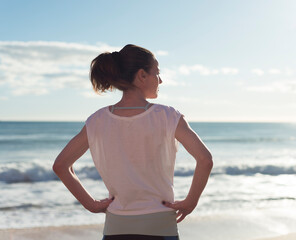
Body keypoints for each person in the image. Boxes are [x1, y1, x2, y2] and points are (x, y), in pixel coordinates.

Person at [53, 44, 213, 240]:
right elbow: (205, 160)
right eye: (157, 73)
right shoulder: (168, 116)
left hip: (115, 229)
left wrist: (91, 204)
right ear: (142, 75)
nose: (160, 80)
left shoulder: (97, 120)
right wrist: (191, 202)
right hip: (160, 227)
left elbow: (61, 165)